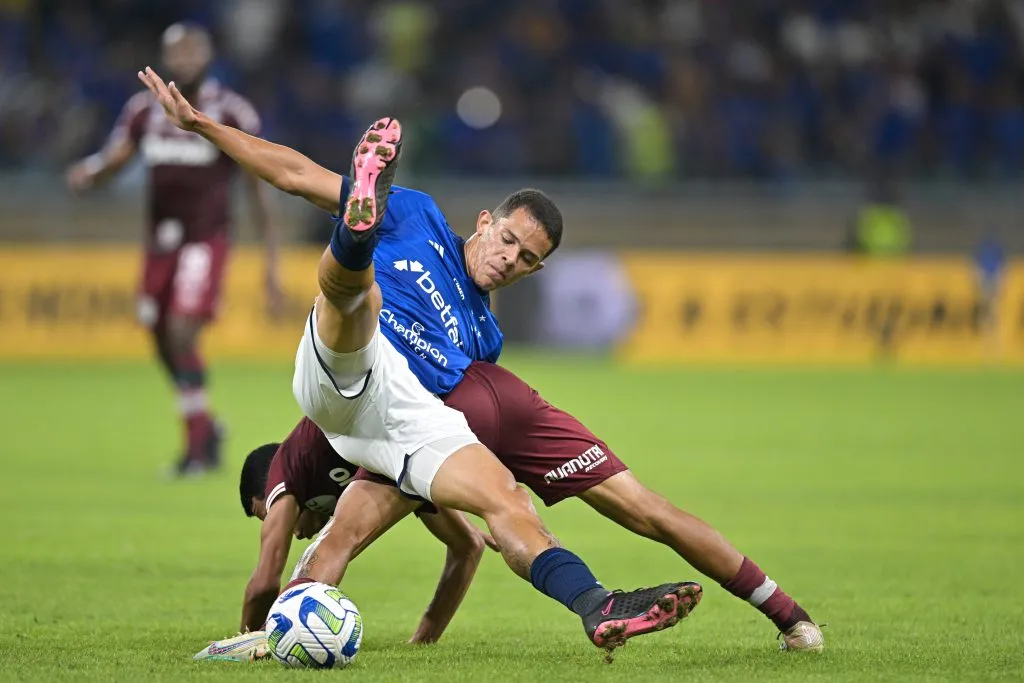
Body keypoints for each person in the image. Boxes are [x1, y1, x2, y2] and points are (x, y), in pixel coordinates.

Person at [139, 66, 702, 656]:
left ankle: (595, 605)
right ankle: (356, 235)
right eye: (508, 242)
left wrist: (426, 635)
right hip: (342, 382)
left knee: (507, 500)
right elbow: (293, 172)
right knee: (357, 301)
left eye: (525, 256)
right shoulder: (418, 216)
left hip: (405, 416)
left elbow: (465, 545)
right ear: (486, 224)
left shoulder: (482, 332)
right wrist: (202, 124)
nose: (510, 259)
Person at [66, 24, 283, 475]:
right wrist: (89, 172)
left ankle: (197, 447)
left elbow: (260, 188)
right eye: (175, 52)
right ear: (164, 59)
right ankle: (208, 426)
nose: (183, 58)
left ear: (208, 56)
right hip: (159, 243)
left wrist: (271, 263)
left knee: (182, 330)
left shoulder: (231, 111)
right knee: (159, 334)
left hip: (205, 240)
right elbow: (117, 156)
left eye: (192, 50)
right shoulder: (144, 109)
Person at [194, 421, 495, 661]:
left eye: (267, 515)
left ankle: (271, 643)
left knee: (321, 554)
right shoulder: (367, 466)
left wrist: (246, 640)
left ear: (268, 492)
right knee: (467, 543)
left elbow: (263, 584)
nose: (293, 533)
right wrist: (420, 646)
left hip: (405, 426)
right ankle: (422, 644)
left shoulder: (285, 470)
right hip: (419, 429)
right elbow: (468, 546)